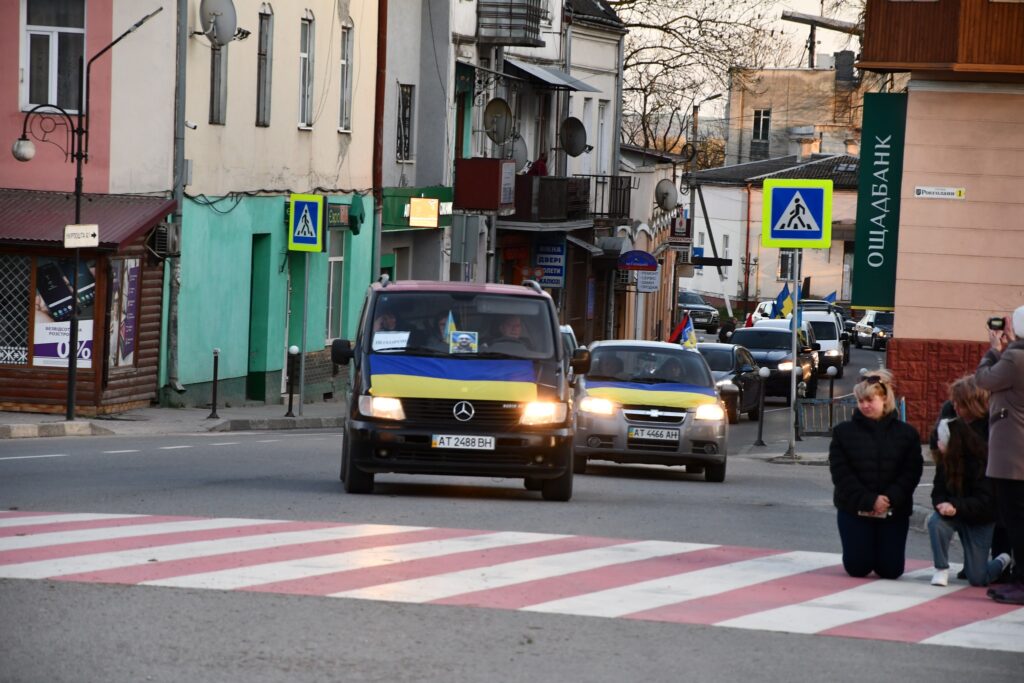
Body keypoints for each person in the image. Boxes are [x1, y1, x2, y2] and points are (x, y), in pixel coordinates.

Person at [828, 369, 923, 579]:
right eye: (861, 400)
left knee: (891, 571)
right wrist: (869, 500)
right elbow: (841, 474)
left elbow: (911, 472)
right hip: (854, 510)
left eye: (870, 400)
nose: (864, 405)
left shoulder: (907, 434)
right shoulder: (843, 432)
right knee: (857, 568)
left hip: (893, 511)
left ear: (885, 398)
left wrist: (888, 499)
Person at [927, 376, 1012, 587]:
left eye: (960, 403)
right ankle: (941, 568)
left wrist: (954, 506)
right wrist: (942, 505)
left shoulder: (992, 428)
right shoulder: (951, 420)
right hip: (960, 503)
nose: (955, 406)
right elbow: (939, 480)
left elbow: (986, 499)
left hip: (982, 511)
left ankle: (1002, 559)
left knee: (978, 578)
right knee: (935, 521)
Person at [975, 305, 1024, 605]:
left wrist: (994, 348)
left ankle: (1021, 581)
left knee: (1016, 520)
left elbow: (984, 380)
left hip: (1013, 456)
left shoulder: (1016, 358)